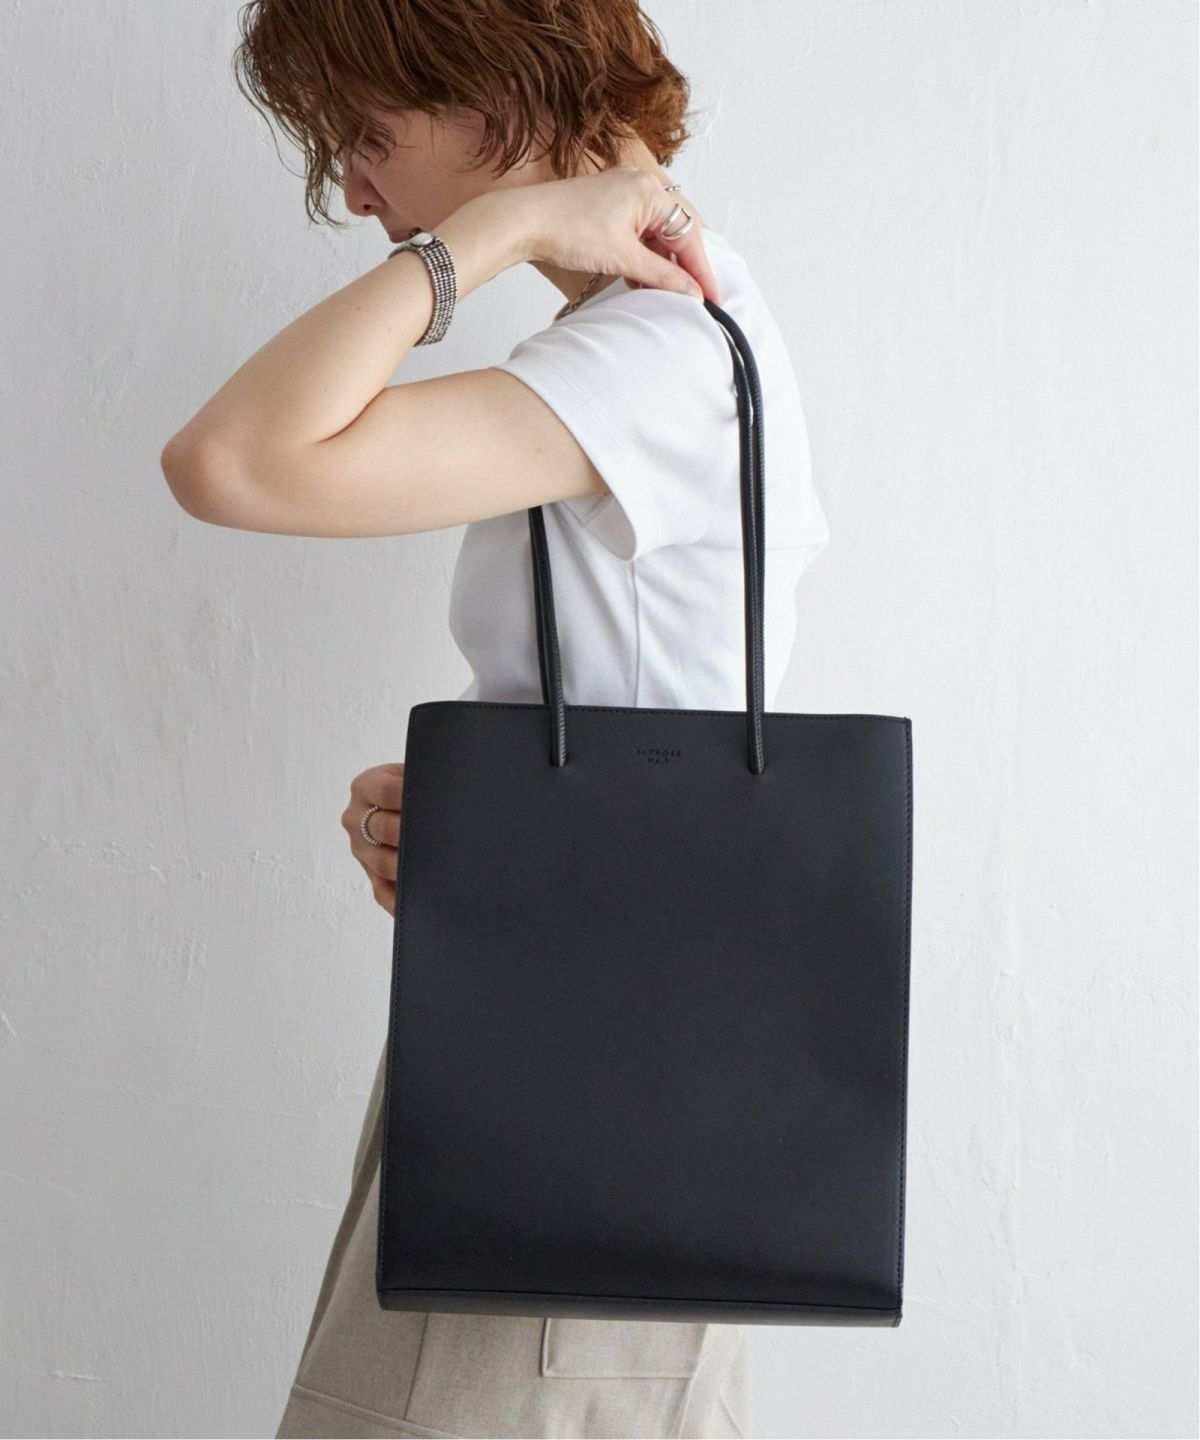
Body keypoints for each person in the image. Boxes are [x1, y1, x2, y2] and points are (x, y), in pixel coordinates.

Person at [161, 1, 830, 1434]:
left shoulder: (657, 357)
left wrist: (496, 232)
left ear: (503, 93)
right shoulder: (661, 340)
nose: (353, 190)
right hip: (589, 1066)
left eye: (366, 134)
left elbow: (231, 460)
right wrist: (482, 827)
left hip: (577, 1088)